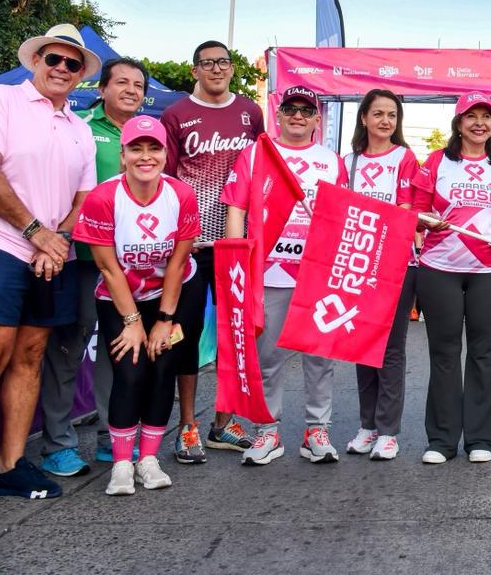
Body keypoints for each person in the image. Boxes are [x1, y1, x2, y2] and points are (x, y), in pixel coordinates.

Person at [0, 24, 98, 524]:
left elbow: (83, 199)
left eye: (72, 64)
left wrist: (59, 241)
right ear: (36, 60)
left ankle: (10, 465)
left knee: (30, 355)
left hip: (49, 253)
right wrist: (37, 232)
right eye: (53, 59)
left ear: (79, 75)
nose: (61, 69)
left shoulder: (77, 127)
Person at [221, 85, 347, 466]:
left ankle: (316, 431)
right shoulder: (256, 153)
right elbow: (236, 208)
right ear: (278, 114)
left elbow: (340, 217)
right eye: (290, 108)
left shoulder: (331, 160)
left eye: (305, 110)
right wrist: (236, 264)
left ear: (316, 119)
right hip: (268, 273)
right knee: (267, 357)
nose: (297, 115)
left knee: (319, 358)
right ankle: (267, 431)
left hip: (314, 274)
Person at [72, 116, 198, 495]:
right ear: (123, 155)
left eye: (154, 148)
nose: (146, 157)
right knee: (130, 373)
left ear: (165, 153)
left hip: (172, 295)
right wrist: (132, 321)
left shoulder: (181, 194)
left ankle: (149, 459)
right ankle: (122, 465)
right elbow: (108, 267)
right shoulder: (103, 197)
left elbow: (177, 262)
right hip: (119, 296)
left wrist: (164, 319)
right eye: (136, 149)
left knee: (162, 370)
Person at [39, 57, 150, 476]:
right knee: (67, 353)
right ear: (101, 89)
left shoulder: (148, 135)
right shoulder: (79, 126)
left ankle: (111, 436)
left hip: (131, 270)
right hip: (81, 261)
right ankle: (57, 444)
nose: (131, 90)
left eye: (137, 84)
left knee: (116, 354)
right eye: (121, 82)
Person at [160, 40, 263, 463]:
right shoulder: (176, 114)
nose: (217, 69)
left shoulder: (250, 113)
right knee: (184, 336)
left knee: (233, 335)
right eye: (208, 63)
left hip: (236, 242)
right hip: (190, 242)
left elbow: (262, 171)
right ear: (195, 70)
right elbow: (164, 177)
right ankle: (188, 427)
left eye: (223, 62)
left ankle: (224, 424)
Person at [412, 92, 491, 464]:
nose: (479, 123)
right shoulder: (437, 162)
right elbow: (415, 209)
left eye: (485, 117)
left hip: (488, 273)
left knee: (483, 353)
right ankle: (441, 441)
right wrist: (426, 220)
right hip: (440, 269)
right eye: (470, 116)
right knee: (444, 354)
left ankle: (480, 440)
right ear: (458, 123)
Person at [343, 88, 419, 461]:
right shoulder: (348, 161)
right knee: (362, 347)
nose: (386, 121)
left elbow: (406, 210)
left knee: (390, 350)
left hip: (394, 265)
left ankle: (389, 431)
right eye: (378, 114)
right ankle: (367, 426)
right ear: (364, 118)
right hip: (356, 263)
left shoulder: (405, 158)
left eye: (392, 115)